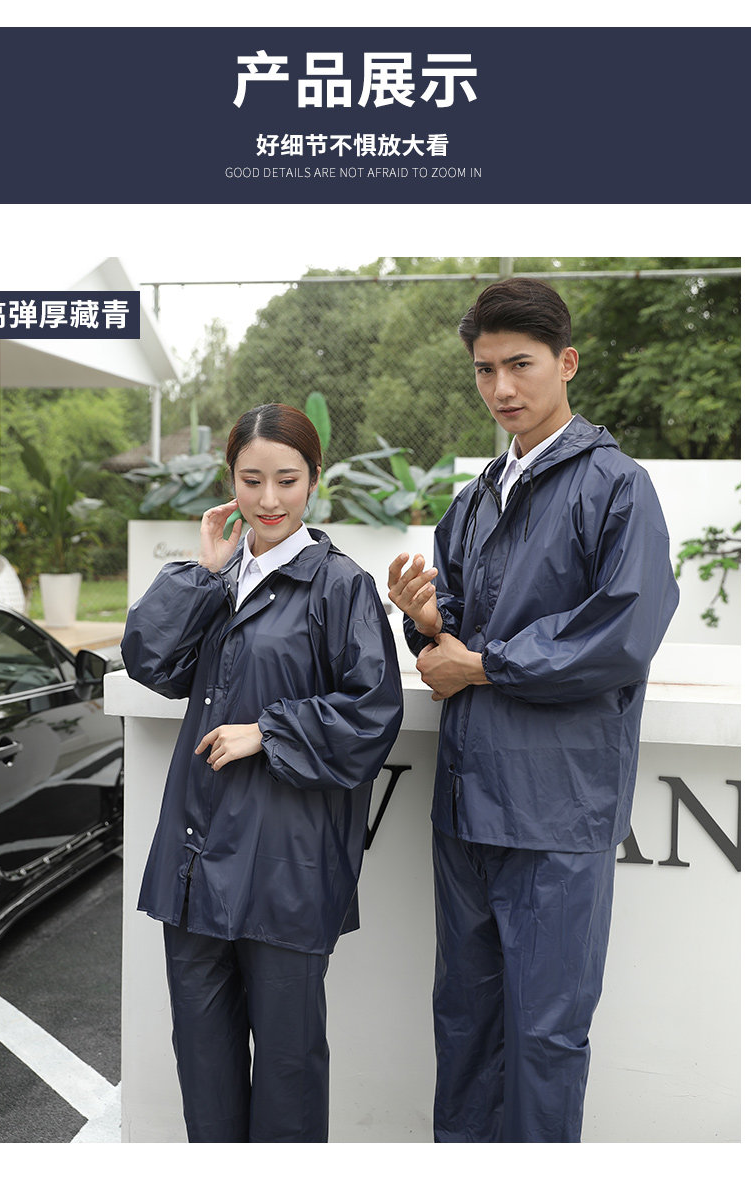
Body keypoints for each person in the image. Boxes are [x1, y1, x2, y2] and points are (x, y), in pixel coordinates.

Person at [388, 277, 679, 1143]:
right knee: (464, 1026)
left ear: (567, 362)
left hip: (557, 813)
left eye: (520, 364)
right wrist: (427, 621)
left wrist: (481, 664)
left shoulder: (617, 487)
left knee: (547, 1038)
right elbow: (457, 629)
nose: (502, 387)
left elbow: (621, 634)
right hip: (466, 808)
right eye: (486, 369)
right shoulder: (476, 497)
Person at [121, 402, 403, 1143]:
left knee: (287, 1070)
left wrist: (268, 731)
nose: (269, 499)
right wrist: (202, 573)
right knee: (204, 1067)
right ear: (231, 482)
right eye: (252, 480)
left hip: (285, 867)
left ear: (314, 480)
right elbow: (149, 661)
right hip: (194, 860)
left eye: (287, 479)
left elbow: (373, 713)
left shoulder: (340, 586)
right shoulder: (217, 581)